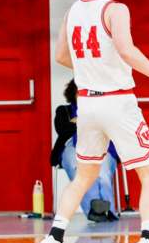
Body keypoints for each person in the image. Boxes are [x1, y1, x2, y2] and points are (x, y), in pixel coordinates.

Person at [35, 0, 149, 243]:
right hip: (118, 102)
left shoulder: (72, 13)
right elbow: (126, 50)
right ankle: (146, 242)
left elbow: (60, 56)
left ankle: (54, 238)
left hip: (88, 105)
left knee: (84, 176)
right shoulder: (115, 9)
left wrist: (91, 69)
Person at [51, 79, 119, 222]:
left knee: (103, 171)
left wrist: (79, 122)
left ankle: (105, 209)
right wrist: (87, 122)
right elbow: (62, 130)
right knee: (79, 170)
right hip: (71, 145)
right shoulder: (64, 110)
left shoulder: (102, 110)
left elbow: (111, 129)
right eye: (80, 92)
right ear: (73, 93)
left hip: (100, 143)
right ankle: (95, 209)